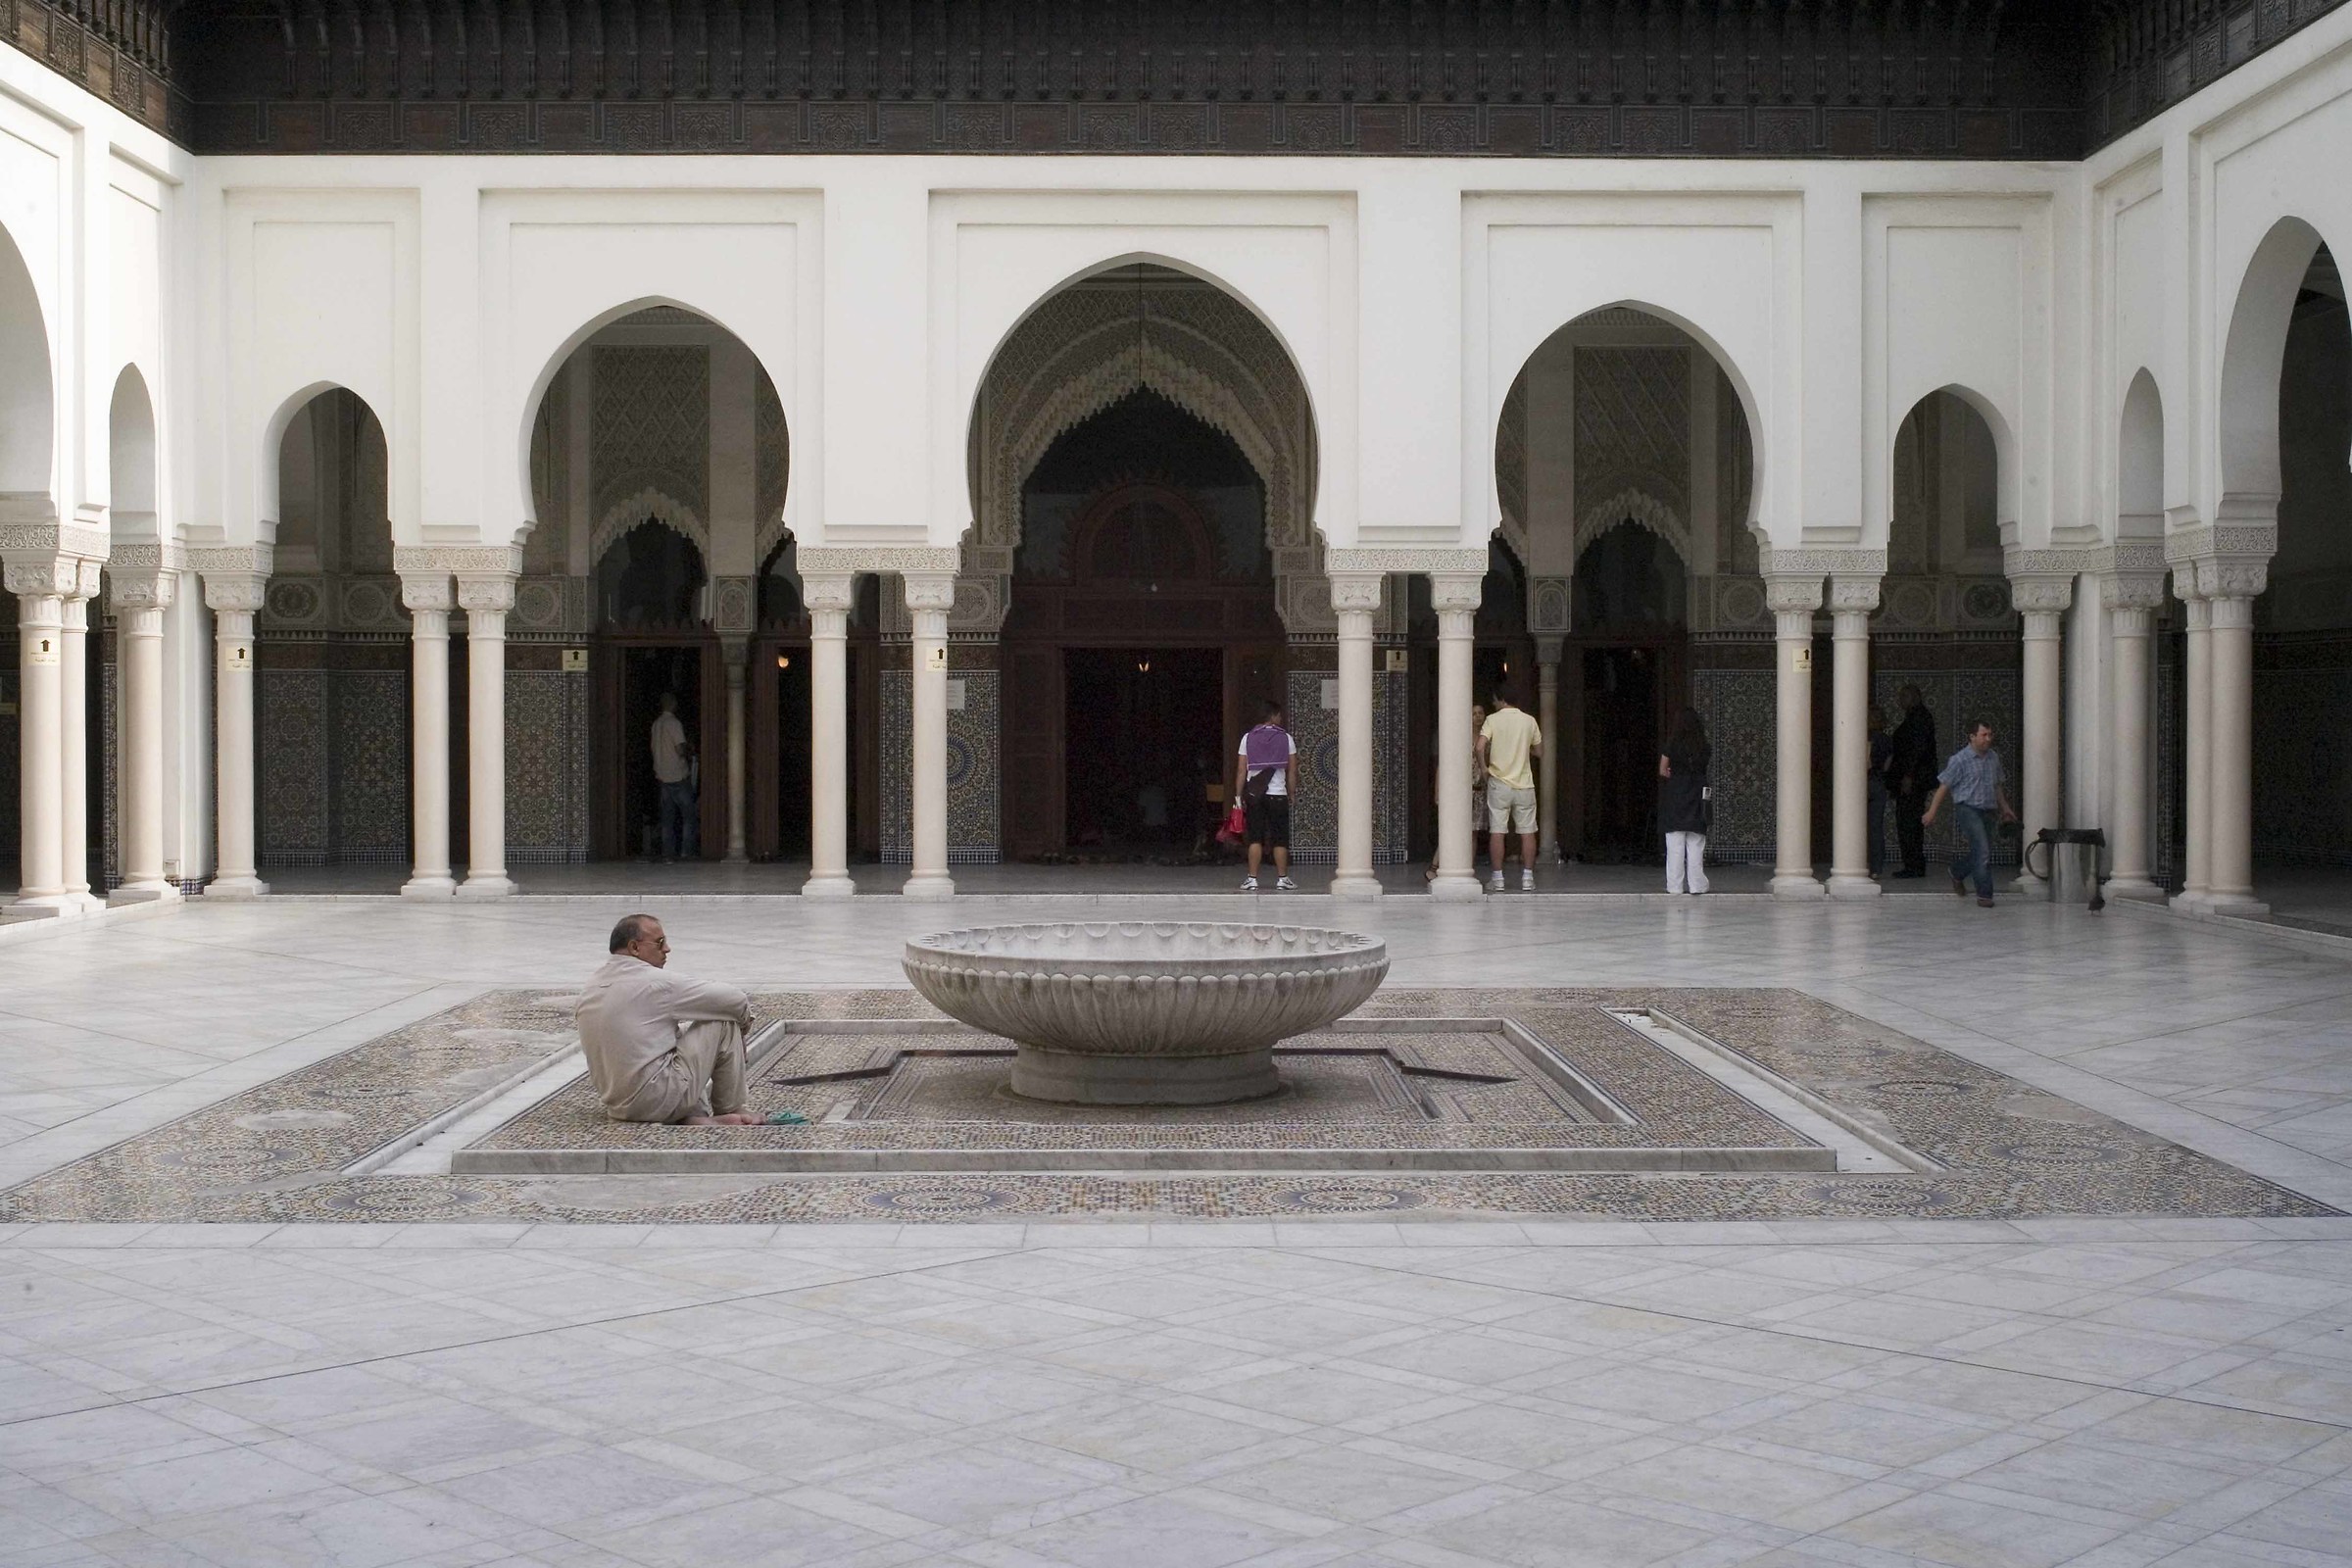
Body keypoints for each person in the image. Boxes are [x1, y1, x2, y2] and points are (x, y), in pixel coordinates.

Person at [576, 913, 757, 1124]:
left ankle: (692, 1116)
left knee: (677, 1032)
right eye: (660, 942)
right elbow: (736, 1000)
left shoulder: (590, 986)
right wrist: (742, 1032)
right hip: (657, 1100)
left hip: (619, 1108)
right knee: (724, 1019)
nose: (667, 949)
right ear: (634, 948)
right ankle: (732, 1110)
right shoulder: (655, 983)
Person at [1921, 719, 2018, 907]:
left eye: (1990, 735)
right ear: (1972, 737)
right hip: (1968, 809)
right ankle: (1985, 895)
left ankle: (1957, 871)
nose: (1988, 739)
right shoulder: (1959, 760)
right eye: (1984, 735)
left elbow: (1997, 786)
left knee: (1982, 851)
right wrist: (1932, 812)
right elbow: (1944, 787)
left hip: (1989, 810)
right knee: (1982, 851)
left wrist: (2005, 808)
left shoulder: (1993, 758)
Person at [1478, 686, 1544, 892]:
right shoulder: (1529, 720)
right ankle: (1528, 878)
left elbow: (1479, 747)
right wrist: (1524, 748)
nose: (1494, 704)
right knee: (1527, 831)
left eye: (1495, 701)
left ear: (1501, 699)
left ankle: (1497, 879)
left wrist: (1484, 769)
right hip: (1524, 784)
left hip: (1499, 783)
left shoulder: (1492, 720)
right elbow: (1540, 752)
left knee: (1498, 831)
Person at [1235, 700, 1298, 891]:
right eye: (1279, 715)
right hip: (1278, 794)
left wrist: (1238, 796)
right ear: (1272, 716)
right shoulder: (1287, 739)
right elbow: (1292, 771)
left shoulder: (1247, 738)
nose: (1281, 718)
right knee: (1279, 838)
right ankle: (1282, 878)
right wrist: (1291, 793)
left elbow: (1241, 771)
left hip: (1255, 796)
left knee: (1255, 837)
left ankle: (1252, 878)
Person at [1425, 703, 1486, 882]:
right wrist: (1438, 791)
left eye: (1480, 713)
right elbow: (1442, 766)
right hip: (1458, 791)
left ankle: (1468, 867)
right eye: (1474, 713)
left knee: (1473, 832)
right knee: (1451, 829)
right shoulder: (1459, 737)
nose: (1477, 716)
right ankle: (1435, 866)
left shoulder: (1486, 737)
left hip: (1478, 791)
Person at [1657, 707, 1711, 895]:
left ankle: (1675, 886)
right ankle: (1697, 885)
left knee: (1675, 844)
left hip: (1676, 794)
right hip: (1698, 795)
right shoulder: (1704, 746)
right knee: (1696, 843)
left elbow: (1663, 770)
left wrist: (1675, 774)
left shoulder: (1671, 745)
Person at [1887, 684, 1936, 877]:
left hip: (1914, 781)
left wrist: (1909, 775)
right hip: (1914, 779)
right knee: (1908, 821)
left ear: (1915, 698)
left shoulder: (1919, 719)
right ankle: (1913, 864)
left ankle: (1914, 865)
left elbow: (1917, 750)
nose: (1901, 701)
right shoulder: (1916, 717)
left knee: (1909, 822)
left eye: (1904, 697)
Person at [650, 692, 698, 862]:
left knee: (667, 819)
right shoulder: (674, 723)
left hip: (662, 776)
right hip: (678, 776)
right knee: (688, 816)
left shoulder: (656, 724)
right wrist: (689, 750)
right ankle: (686, 852)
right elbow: (680, 749)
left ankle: (667, 854)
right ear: (673, 704)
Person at [1866, 704, 1893, 879]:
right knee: (1876, 826)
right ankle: (1876, 868)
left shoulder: (1866, 738)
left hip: (1865, 782)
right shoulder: (1887, 740)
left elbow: (1866, 763)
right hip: (1879, 783)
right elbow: (1887, 765)